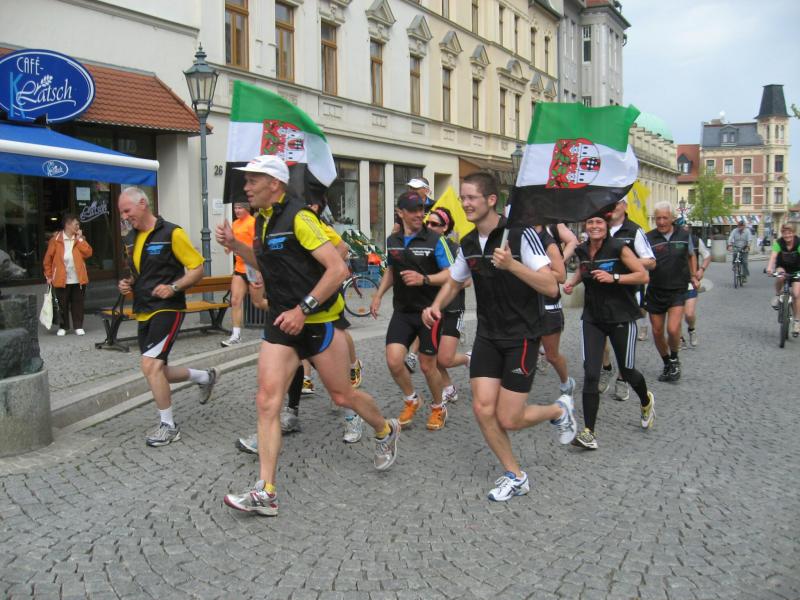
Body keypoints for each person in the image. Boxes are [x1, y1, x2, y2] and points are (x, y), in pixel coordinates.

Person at [216, 155, 398, 517]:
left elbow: (338, 268)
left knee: (342, 395)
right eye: (246, 181)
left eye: (253, 181)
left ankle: (384, 429)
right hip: (282, 321)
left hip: (316, 320)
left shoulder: (300, 217)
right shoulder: (262, 220)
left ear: (275, 184)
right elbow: (267, 262)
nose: (246, 187)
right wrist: (236, 246)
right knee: (267, 401)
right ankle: (266, 491)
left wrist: (303, 310)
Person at [422, 172, 576, 502]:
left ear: (491, 200)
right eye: (462, 198)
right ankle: (515, 475)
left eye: (471, 198)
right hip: (488, 336)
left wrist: (513, 266)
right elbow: (455, 281)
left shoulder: (520, 235)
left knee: (510, 417)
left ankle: (558, 410)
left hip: (522, 336)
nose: (465, 204)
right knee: (482, 409)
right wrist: (435, 305)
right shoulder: (467, 242)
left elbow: (551, 286)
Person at [117, 187, 218, 447]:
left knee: (150, 366)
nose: (125, 217)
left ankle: (168, 426)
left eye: (127, 211)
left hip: (168, 308)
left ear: (143, 204)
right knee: (158, 370)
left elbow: (197, 269)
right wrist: (128, 283)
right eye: (122, 213)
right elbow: (138, 274)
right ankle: (204, 377)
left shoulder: (172, 233)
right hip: (143, 310)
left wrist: (174, 287)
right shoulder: (131, 238)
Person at [564, 213, 655, 450]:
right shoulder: (583, 249)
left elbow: (642, 275)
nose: (594, 226)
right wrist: (573, 282)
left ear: (606, 225)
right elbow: (584, 269)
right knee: (591, 374)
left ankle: (645, 400)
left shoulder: (618, 248)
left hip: (621, 317)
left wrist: (614, 277)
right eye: (590, 222)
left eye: (599, 222)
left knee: (628, 370)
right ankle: (589, 432)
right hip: (593, 318)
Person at [370, 191, 454, 431]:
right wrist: (378, 295)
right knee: (394, 360)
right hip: (403, 311)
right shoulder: (393, 240)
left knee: (428, 366)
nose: (419, 214)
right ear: (400, 212)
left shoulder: (435, 240)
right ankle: (411, 399)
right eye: (413, 210)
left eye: (421, 209)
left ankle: (438, 407)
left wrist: (424, 279)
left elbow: (452, 275)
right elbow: (391, 270)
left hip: (429, 313)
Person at [602, 198, 656, 400]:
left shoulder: (634, 231)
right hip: (601, 292)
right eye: (609, 204)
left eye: (616, 203)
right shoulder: (599, 227)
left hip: (626, 293)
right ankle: (606, 368)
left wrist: (625, 260)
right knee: (599, 337)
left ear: (624, 206)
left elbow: (651, 262)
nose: (612, 208)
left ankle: (622, 378)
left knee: (623, 341)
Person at [644, 202, 698, 383]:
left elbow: (691, 255)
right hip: (655, 289)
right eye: (658, 218)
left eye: (664, 218)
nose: (661, 222)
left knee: (673, 329)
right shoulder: (648, 237)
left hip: (677, 289)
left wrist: (694, 275)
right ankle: (667, 362)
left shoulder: (684, 235)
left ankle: (674, 358)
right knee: (657, 331)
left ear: (672, 218)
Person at [425, 207, 470, 403]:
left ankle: (469, 358)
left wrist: (442, 282)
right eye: (427, 223)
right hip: (431, 309)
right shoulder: (424, 246)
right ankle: (449, 388)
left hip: (453, 308)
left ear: (444, 228)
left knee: (445, 358)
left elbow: (466, 281)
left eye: (434, 224)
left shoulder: (454, 248)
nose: (429, 226)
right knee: (430, 355)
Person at [534, 223, 577, 398]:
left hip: (549, 306)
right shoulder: (519, 236)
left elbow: (561, 276)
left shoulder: (548, 241)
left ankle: (566, 382)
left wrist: (533, 271)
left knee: (552, 356)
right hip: (526, 304)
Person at [221, 202, 269, 347]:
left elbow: (258, 246)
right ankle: (236, 335)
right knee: (235, 300)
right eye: (235, 208)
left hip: (253, 267)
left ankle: (283, 311)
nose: (237, 210)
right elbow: (231, 244)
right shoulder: (235, 224)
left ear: (247, 209)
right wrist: (228, 247)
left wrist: (259, 269)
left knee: (258, 302)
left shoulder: (253, 223)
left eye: (240, 208)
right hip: (239, 268)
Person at [402, 176, 435, 372]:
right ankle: (414, 353)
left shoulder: (435, 207)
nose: (413, 191)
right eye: (411, 188)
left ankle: (413, 354)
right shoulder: (406, 206)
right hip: (411, 266)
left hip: (430, 266)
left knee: (426, 314)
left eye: (416, 188)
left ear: (426, 190)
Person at [43, 214, 92, 336]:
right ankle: (63, 327)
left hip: (78, 277)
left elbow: (88, 253)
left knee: (78, 303)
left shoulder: (79, 239)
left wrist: (80, 239)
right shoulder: (55, 240)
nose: (78, 226)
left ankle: (78, 326)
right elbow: (47, 260)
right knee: (62, 304)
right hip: (61, 278)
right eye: (76, 224)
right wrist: (49, 276)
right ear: (68, 225)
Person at [766, 223, 800, 335]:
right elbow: (773, 256)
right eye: (785, 233)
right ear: (782, 233)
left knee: (796, 294)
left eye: (790, 233)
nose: (787, 235)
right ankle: (777, 295)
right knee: (780, 276)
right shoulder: (779, 243)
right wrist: (769, 268)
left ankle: (797, 322)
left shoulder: (798, 243)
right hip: (782, 267)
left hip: (797, 270)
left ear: (793, 233)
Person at [682, 224, 711, 347]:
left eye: (686, 228)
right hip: (674, 282)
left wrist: (701, 269)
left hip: (690, 281)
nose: (684, 230)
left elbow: (707, 256)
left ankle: (691, 329)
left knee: (689, 314)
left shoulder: (695, 241)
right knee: (675, 313)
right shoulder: (671, 240)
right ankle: (679, 338)